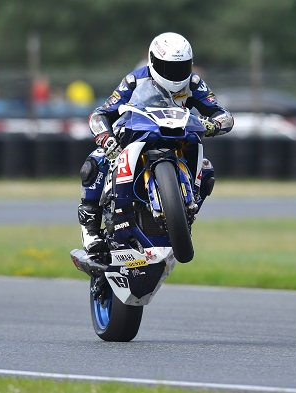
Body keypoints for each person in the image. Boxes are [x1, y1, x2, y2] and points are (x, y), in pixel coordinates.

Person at [78, 32, 234, 255]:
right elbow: (100, 114)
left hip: (179, 137)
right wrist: (106, 138)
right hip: (141, 134)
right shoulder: (134, 80)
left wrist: (212, 124)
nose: (175, 73)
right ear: (152, 61)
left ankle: (187, 211)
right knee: (96, 160)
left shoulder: (194, 82)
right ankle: (90, 228)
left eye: (181, 67)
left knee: (207, 168)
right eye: (167, 67)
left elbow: (224, 115)